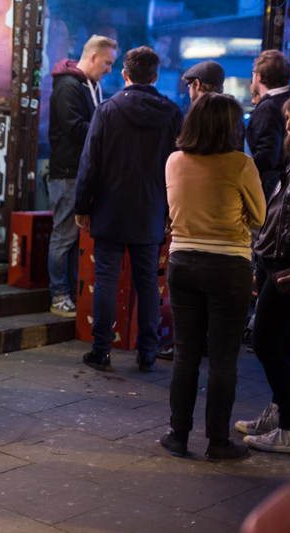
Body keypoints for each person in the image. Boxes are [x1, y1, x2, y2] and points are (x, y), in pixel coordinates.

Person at [159, 93, 266, 461]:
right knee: (223, 358)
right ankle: (218, 442)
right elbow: (260, 217)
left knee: (186, 352)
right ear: (231, 127)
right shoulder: (240, 164)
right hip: (229, 266)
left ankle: (177, 435)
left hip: (182, 262)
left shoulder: (174, 161)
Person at [74, 46, 183, 373]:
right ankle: (148, 352)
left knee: (106, 276)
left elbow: (90, 162)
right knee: (148, 280)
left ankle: (101, 350)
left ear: (124, 74)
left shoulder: (108, 110)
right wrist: (171, 210)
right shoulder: (173, 114)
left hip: (110, 206)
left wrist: (83, 206)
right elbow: (178, 167)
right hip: (151, 209)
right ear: (156, 76)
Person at [236, 93, 290, 454]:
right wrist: (261, 259)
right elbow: (278, 217)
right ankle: (282, 413)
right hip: (276, 262)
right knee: (281, 343)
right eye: (288, 118)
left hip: (288, 268)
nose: (288, 126)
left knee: (265, 344)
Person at [47, 34, 118, 318]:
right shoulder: (67, 86)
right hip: (67, 173)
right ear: (92, 57)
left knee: (74, 239)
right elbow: (75, 128)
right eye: (108, 63)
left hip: (79, 172)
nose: (109, 69)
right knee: (64, 237)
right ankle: (58, 296)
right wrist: (108, 131)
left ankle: (68, 294)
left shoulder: (92, 86)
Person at [246, 50, 290, 199]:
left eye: (253, 73)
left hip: (268, 189)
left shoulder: (269, 107)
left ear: (259, 76)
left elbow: (267, 155)